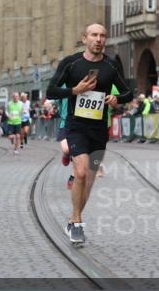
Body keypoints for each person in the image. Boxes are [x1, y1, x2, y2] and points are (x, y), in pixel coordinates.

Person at [46, 23, 133, 244]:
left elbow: (128, 92)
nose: (99, 39)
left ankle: (72, 217)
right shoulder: (71, 63)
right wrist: (74, 91)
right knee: (81, 173)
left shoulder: (111, 66)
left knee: (89, 182)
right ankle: (76, 222)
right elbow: (51, 90)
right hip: (76, 127)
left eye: (103, 36)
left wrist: (117, 99)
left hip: (98, 129)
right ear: (84, 38)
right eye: (94, 35)